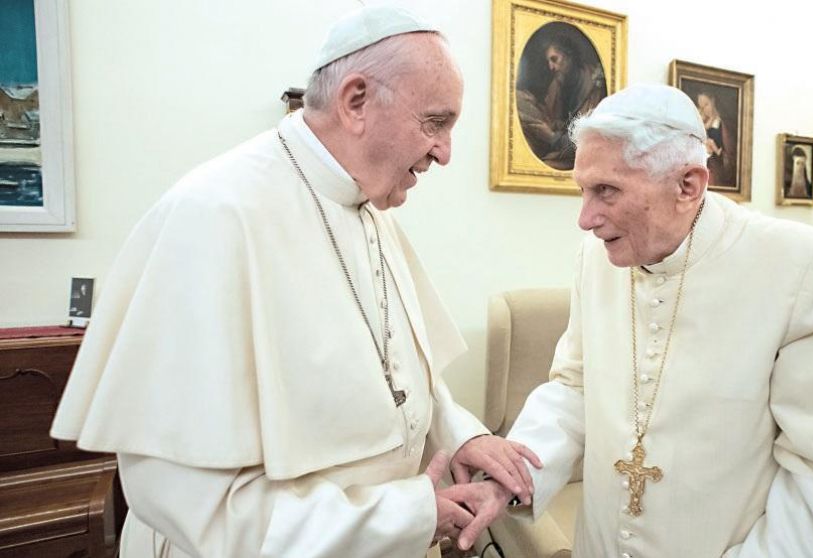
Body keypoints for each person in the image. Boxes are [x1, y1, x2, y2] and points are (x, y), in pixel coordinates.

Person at [49, 7, 538, 558]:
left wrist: (462, 433)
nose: (445, 152)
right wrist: (411, 513)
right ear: (356, 102)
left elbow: (398, 374)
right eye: (435, 122)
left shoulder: (371, 209)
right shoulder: (215, 215)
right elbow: (193, 504)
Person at [493, 84, 813, 557]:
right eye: (583, 190)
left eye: (606, 191)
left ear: (688, 186)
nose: (585, 218)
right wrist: (510, 477)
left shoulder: (803, 268)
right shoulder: (595, 259)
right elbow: (574, 387)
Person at [516, 32, 606, 170]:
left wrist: (552, 137)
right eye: (549, 62)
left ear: (569, 56)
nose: (551, 67)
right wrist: (533, 103)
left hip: (577, 155)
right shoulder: (558, 81)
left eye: (554, 59)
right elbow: (551, 118)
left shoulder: (593, 87)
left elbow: (585, 138)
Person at [696, 91, 736, 187]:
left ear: (713, 101)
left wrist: (718, 154)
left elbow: (731, 158)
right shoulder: (701, 126)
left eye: (706, 104)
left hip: (719, 176)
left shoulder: (724, 126)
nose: (704, 110)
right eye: (701, 107)